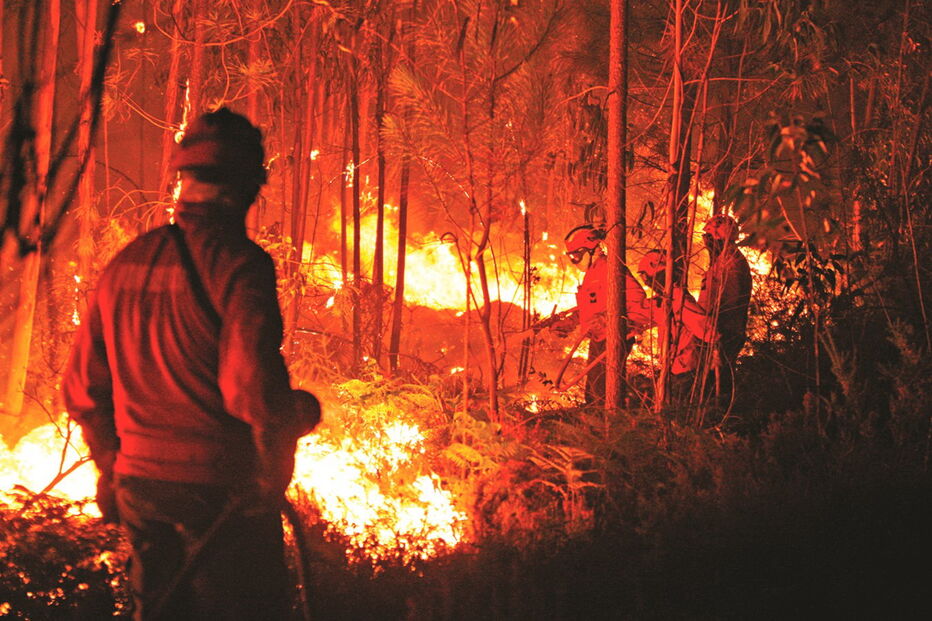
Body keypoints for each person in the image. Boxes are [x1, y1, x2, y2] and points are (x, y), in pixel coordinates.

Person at [63, 108, 320, 620]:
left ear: (184, 180)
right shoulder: (240, 265)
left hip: (138, 488)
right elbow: (249, 393)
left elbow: (82, 389)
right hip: (218, 492)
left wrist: (112, 468)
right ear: (247, 185)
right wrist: (281, 451)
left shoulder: (125, 264)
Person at [552, 224, 650, 404]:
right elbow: (590, 309)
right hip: (599, 338)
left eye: (576, 255)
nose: (574, 261)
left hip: (614, 337)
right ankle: (595, 425)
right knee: (593, 389)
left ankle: (609, 426)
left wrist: (608, 319)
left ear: (590, 250)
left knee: (602, 391)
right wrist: (569, 323)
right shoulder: (592, 272)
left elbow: (638, 300)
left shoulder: (610, 268)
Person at [636, 249, 718, 406]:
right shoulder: (667, 298)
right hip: (677, 368)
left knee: (679, 413)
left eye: (645, 276)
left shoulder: (678, 298)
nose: (645, 282)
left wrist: (715, 351)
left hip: (686, 371)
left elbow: (707, 328)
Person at [699, 214, 752, 403]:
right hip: (722, 332)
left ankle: (722, 418)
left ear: (719, 237)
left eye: (709, 237)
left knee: (718, 384)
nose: (706, 242)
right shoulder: (724, 260)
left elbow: (726, 303)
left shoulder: (730, 263)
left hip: (724, 333)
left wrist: (712, 332)